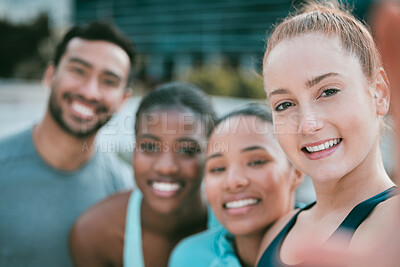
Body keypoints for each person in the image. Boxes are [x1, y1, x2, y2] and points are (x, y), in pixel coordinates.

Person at [256, 1, 399, 266]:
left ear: (379, 92)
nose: (307, 124)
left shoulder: (393, 223)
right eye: (284, 104)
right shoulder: (277, 231)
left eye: (328, 91)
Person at [0, 22, 135, 267]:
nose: (90, 92)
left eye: (109, 81)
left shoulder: (125, 189)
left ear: (123, 99)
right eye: (78, 71)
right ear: (50, 75)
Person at [69, 82, 218, 267]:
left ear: (211, 154)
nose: (166, 167)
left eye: (187, 149)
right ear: (134, 149)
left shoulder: (239, 228)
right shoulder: (94, 234)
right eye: (149, 146)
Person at [169, 104, 304, 267]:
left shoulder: (335, 246)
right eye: (217, 168)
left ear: (297, 170)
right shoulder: (191, 258)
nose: (232, 182)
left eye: (256, 162)